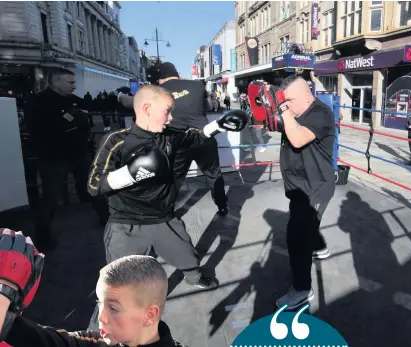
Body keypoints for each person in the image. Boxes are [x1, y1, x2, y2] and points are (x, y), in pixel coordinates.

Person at [87, 85, 247, 329]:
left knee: (188, 257)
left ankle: (194, 277)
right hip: (126, 224)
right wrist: (129, 175)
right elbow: (93, 184)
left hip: (164, 219)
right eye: (167, 111)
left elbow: (196, 135)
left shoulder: (170, 135)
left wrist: (219, 125)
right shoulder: (117, 141)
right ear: (146, 109)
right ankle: (97, 335)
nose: (171, 117)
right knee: (116, 287)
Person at [0, 228, 187, 347]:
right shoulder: (97, 342)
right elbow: (28, 336)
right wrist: (5, 292)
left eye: (113, 308)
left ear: (150, 315)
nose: (101, 318)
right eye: (100, 303)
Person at [251, 75, 336, 309]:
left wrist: (283, 110)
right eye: (283, 102)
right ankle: (319, 246)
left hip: (315, 187)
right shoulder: (298, 113)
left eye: (289, 101)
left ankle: (301, 290)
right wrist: (265, 108)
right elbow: (272, 123)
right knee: (306, 227)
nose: (285, 106)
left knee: (296, 238)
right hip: (300, 187)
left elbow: (298, 139)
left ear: (306, 96)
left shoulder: (320, 113)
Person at [117, 62, 229, 216]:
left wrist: (120, 96)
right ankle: (222, 206)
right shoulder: (197, 84)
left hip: (179, 140)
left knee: (175, 178)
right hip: (203, 136)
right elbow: (208, 106)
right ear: (176, 73)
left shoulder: (159, 91)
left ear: (161, 79)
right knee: (214, 174)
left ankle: (166, 211)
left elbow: (131, 103)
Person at [24, 68, 92, 253]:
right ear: (55, 81)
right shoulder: (37, 102)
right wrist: (66, 127)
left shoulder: (76, 101)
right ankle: (42, 238)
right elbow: (37, 131)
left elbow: (86, 123)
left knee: (94, 186)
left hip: (79, 153)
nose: (74, 86)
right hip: (53, 158)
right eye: (70, 82)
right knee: (50, 198)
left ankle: (105, 218)